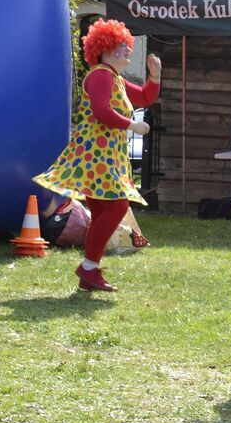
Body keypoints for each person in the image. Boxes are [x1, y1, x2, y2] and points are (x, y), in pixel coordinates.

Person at [33, 19, 160, 293]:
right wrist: (132, 125)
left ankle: (89, 272)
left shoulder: (113, 77)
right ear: (106, 47)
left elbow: (145, 97)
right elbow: (102, 111)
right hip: (96, 156)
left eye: (128, 45)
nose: (128, 49)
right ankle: (89, 267)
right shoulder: (100, 75)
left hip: (104, 156)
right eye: (123, 45)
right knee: (116, 207)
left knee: (104, 210)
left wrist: (155, 76)